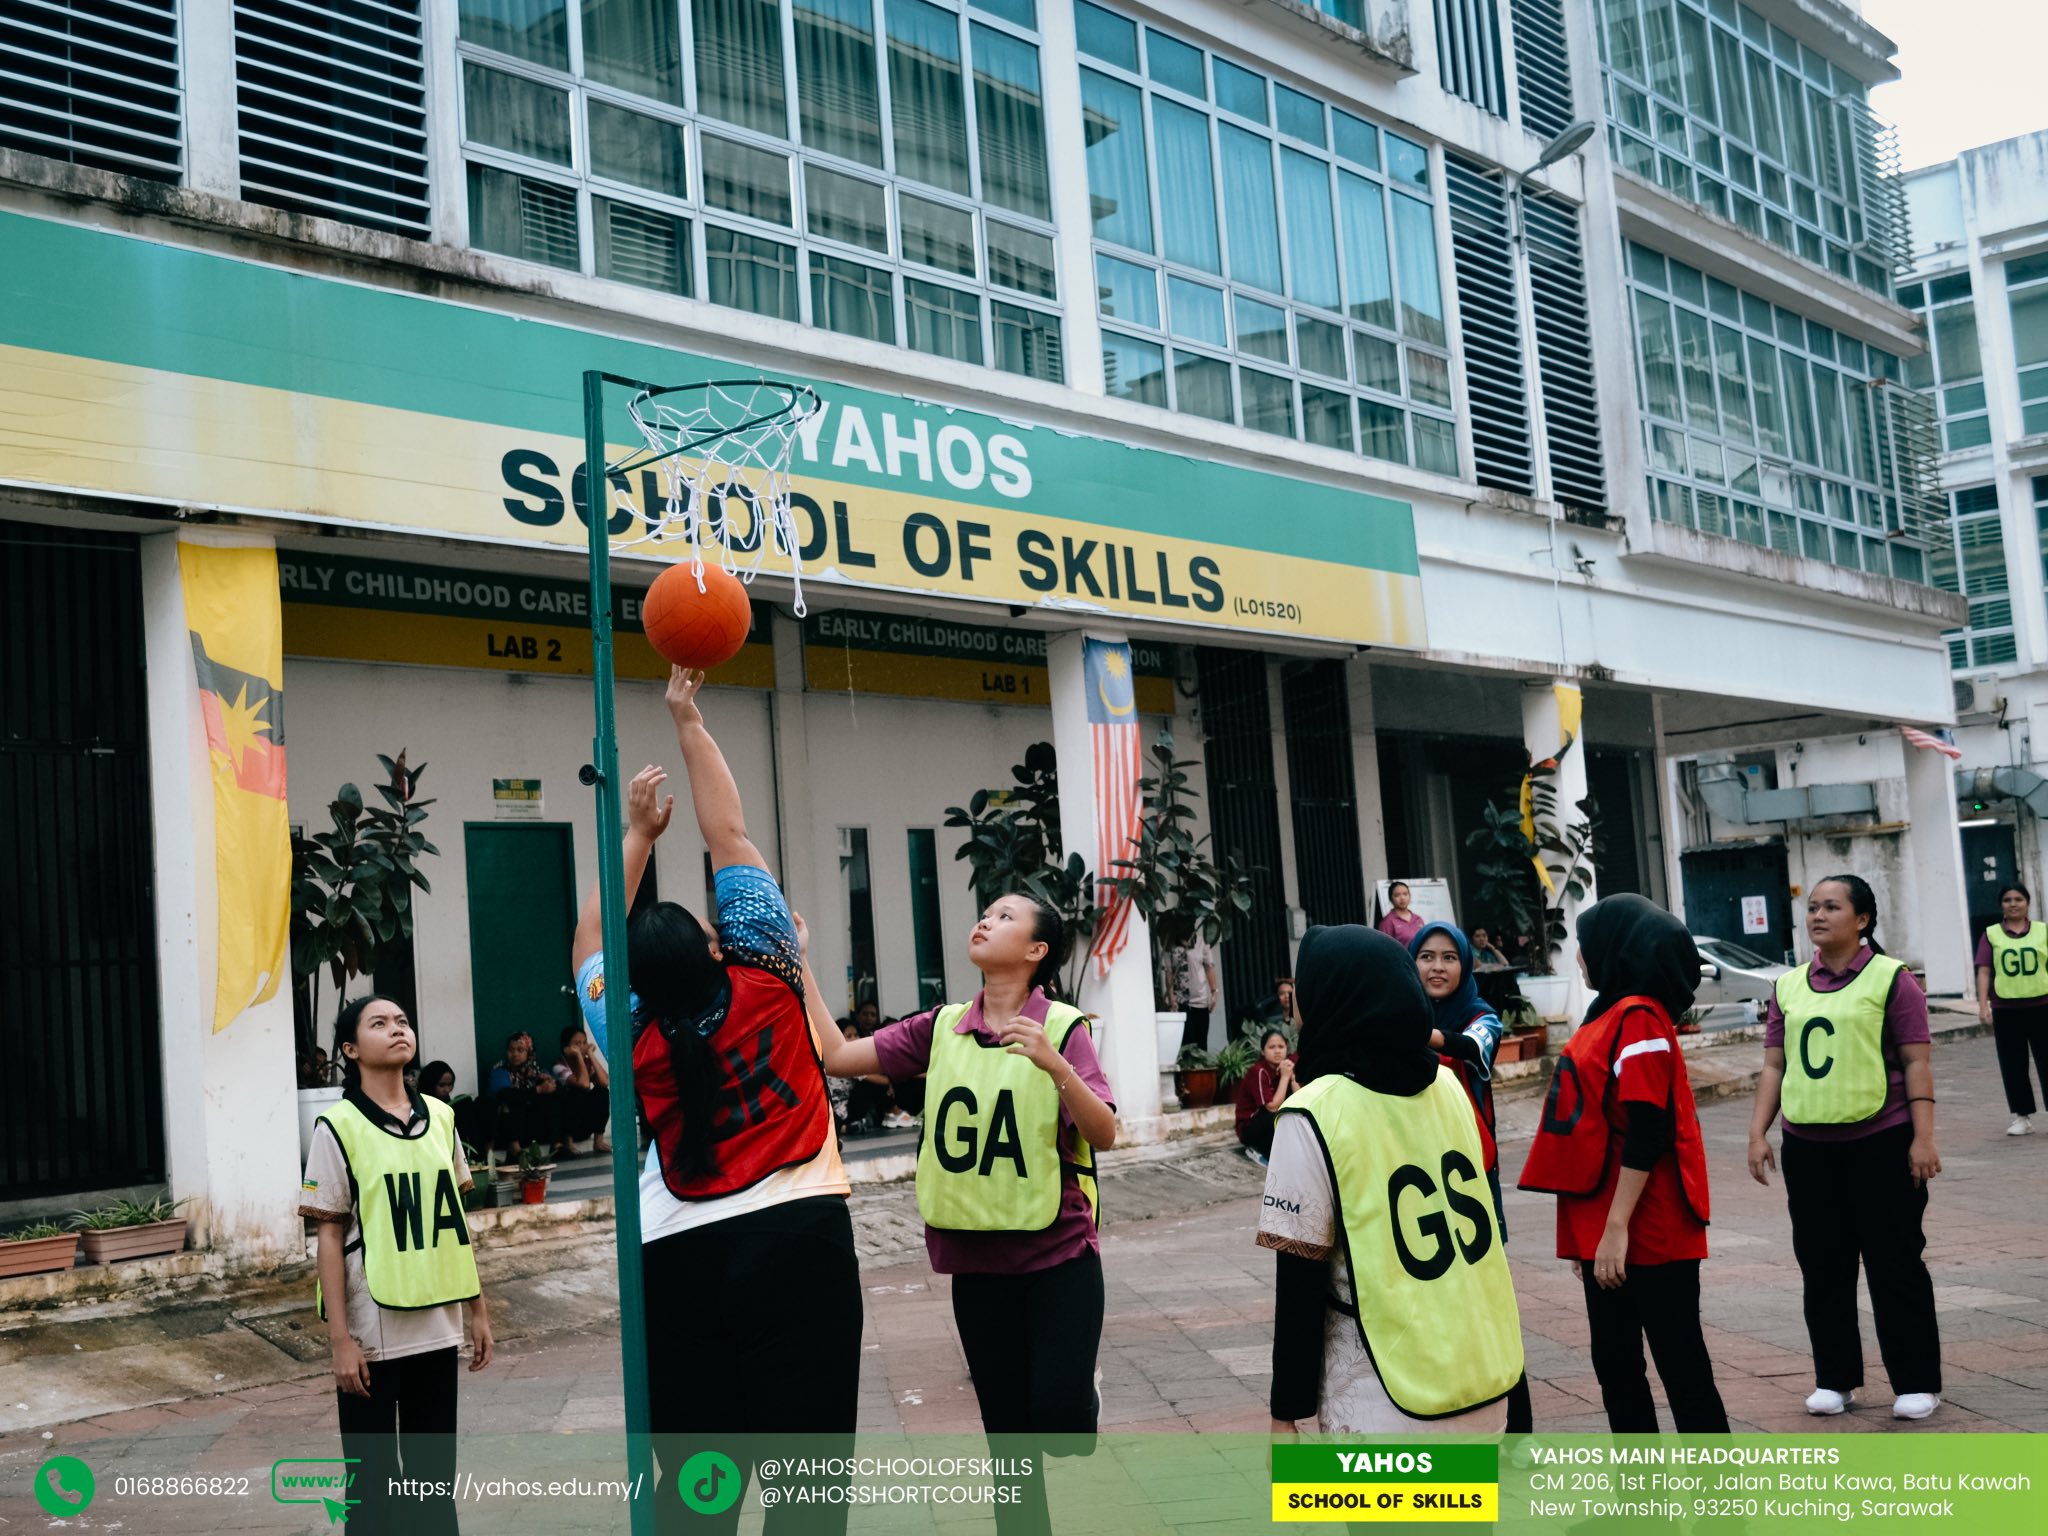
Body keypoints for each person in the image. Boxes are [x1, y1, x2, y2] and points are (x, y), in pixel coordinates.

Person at [570, 666, 860, 1535]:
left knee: (698, 1488)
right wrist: (686, 717)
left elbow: (589, 937)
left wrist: (635, 835)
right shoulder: (769, 974)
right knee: (808, 1489)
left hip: (676, 1257)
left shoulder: (630, 1033)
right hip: (797, 1233)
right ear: (712, 944)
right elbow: (730, 834)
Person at [813, 893, 1116, 1535]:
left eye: (1007, 917)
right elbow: (838, 1057)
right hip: (976, 1264)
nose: (986, 920)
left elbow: (1107, 1132)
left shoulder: (1062, 1027)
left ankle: (1078, 1392)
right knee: (1008, 1446)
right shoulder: (941, 1026)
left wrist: (1054, 1064)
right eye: (988, 912)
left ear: (1036, 952)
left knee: (1059, 1424)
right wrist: (799, 962)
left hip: (1058, 1256)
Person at [1259, 926, 1522, 1434]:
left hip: (1382, 1395)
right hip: (1480, 1380)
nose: (1294, 1004)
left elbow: (1298, 1280)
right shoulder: (1447, 1083)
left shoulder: (1311, 1112)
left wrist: (1284, 1415)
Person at [1519, 894, 1729, 1434]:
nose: (1581, 959)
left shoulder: (1637, 1018)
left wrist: (1613, 1231)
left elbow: (1648, 1130)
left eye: (1586, 947)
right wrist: (1592, 1234)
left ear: (1617, 950)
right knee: (1616, 1366)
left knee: (1681, 1366)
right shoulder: (1609, 1014)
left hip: (1649, 1225)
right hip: (1609, 1223)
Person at [1749, 874, 1942, 1421]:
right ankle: (1835, 1379)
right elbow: (1773, 1065)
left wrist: (1923, 1138)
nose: (1818, 915)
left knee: (1895, 1261)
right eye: (1812, 907)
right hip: (1807, 1147)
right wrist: (1757, 1132)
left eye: (1832, 907)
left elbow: (1916, 1061)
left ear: (1862, 920)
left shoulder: (1891, 980)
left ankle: (1917, 1383)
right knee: (1823, 1267)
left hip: (1882, 1142)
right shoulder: (1788, 986)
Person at [302, 995, 493, 1535]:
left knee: (434, 1484)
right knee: (373, 1490)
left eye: (403, 1021)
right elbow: (330, 1235)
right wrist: (340, 1339)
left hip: (437, 1322)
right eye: (378, 1023)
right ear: (350, 1048)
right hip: (371, 1328)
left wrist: (478, 1310)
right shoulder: (336, 1126)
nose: (396, 1029)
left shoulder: (441, 1118)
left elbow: (453, 1221)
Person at [1408, 919, 1530, 1433]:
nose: (1437, 967)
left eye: (1449, 957)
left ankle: (1518, 1428)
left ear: (1466, 964)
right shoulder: (1404, 1011)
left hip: (1471, 1176)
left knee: (1488, 1301)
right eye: (1427, 957)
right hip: (1413, 1173)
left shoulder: (1481, 1015)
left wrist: (1408, 1030)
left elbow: (1470, 1046)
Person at [1975, 881, 2048, 1137]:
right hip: (2006, 1009)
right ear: (2001, 905)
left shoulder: (2042, 931)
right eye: (2008, 900)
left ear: (2027, 903)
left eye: (2018, 899)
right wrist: (1983, 1005)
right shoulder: (1991, 934)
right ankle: (2021, 1116)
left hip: (2042, 1006)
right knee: (2013, 1064)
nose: (2013, 904)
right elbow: (1984, 970)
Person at [485, 1031, 563, 1158]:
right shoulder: (500, 1070)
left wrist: (548, 1082)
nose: (514, 1054)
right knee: (516, 1099)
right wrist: (538, 1090)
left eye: (520, 1050)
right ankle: (514, 1148)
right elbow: (505, 1095)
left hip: (532, 1125)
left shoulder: (536, 1070)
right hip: (506, 1127)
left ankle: (557, 1145)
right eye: (511, 1050)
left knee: (551, 1099)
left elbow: (559, 1090)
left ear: (529, 1052)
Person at [1233, 1029, 1294, 1164]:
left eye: (1281, 1047)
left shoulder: (1285, 1067)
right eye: (1272, 1047)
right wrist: (1285, 1077)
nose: (1277, 1051)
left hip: (1267, 1122)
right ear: (1262, 1051)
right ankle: (1257, 1150)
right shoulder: (1259, 1071)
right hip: (1249, 1128)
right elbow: (1272, 1107)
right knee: (1279, 1115)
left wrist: (1292, 1077)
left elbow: (1300, 1096)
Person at [551, 1024, 612, 1154]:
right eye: (577, 1043)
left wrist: (591, 1055)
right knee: (578, 1093)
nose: (582, 1046)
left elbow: (605, 1081)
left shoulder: (588, 1063)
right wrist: (579, 1056)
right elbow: (583, 1084)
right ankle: (568, 1142)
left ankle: (598, 1141)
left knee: (602, 1091)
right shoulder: (559, 1066)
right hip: (566, 1123)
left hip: (584, 1122)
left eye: (584, 1042)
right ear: (566, 1048)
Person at [1161, 924, 1221, 1054]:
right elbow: (1169, 972)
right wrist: (1171, 997)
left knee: (1201, 1044)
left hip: (1200, 1000)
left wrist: (1214, 993)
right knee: (1186, 1043)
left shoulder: (1202, 941)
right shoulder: (1170, 944)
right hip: (1180, 1001)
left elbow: (1209, 967)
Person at [1376, 880, 1425, 946]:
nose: (1402, 898)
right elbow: (1384, 947)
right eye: (1397, 895)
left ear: (1410, 896)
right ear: (1391, 899)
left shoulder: (1418, 919)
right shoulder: (1387, 922)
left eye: (1405, 894)